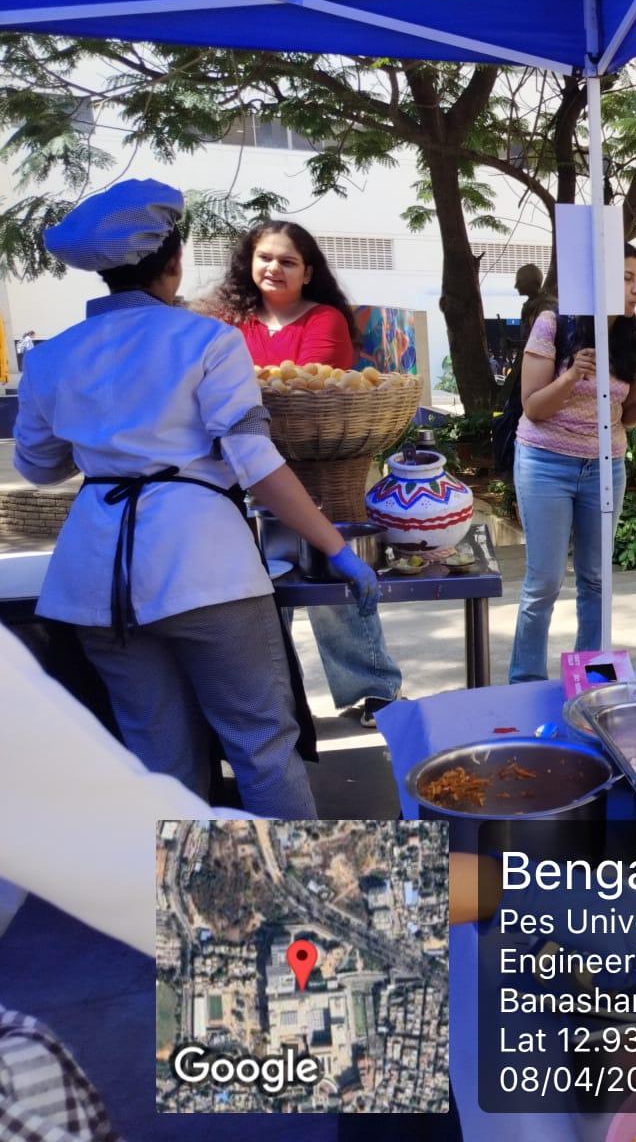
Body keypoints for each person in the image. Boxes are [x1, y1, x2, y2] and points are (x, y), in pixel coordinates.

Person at [12, 180, 379, 816]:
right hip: (205, 568)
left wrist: (109, 439)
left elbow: (38, 467)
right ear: (174, 262)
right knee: (261, 744)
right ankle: (295, 908)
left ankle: (193, 910)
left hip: (98, 581)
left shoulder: (51, 358)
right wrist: (336, 547)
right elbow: (255, 462)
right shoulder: (207, 341)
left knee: (157, 756)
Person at [201, 221, 406, 728]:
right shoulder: (227, 320)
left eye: (287, 261)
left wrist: (243, 388)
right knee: (260, 590)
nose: (273, 268)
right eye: (265, 257)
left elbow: (307, 386)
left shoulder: (325, 319)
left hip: (320, 475)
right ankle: (275, 698)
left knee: (333, 584)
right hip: (239, 475)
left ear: (308, 271)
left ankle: (373, 688)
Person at [508, 243, 636, 682]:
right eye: (626, 278)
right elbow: (532, 408)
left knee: (597, 580)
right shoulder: (553, 325)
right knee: (544, 582)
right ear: (597, 281)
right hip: (546, 463)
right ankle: (525, 680)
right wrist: (571, 375)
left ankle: (588, 680)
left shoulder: (631, 337)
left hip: (605, 468)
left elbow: (627, 415)